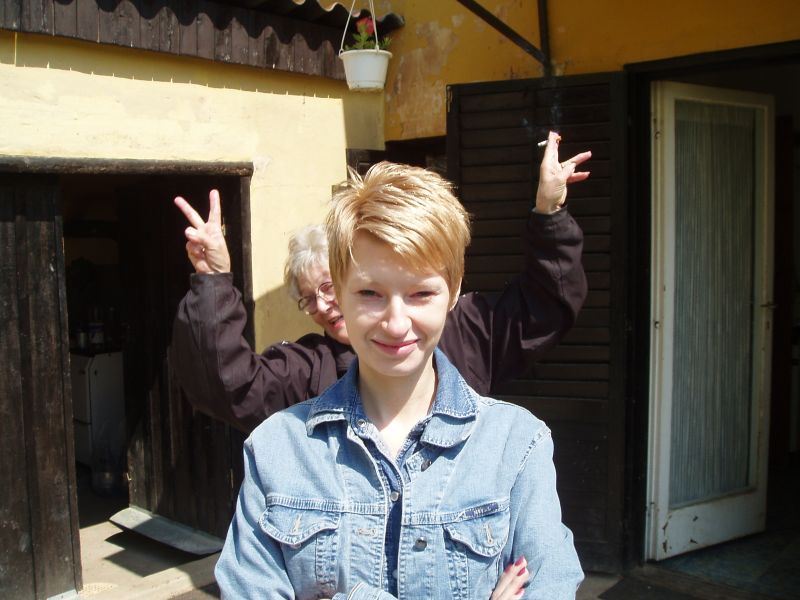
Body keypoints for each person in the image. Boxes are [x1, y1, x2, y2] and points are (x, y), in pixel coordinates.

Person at [213, 154, 584, 598]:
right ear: (341, 294)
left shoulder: (518, 446)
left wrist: (549, 215)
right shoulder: (275, 450)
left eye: (421, 293)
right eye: (370, 293)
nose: (395, 323)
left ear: (454, 290)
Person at [171, 131, 591, 434]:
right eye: (309, 299)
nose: (396, 322)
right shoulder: (306, 369)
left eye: (328, 287)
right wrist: (213, 281)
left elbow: (547, 306)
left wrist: (549, 213)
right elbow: (227, 386)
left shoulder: (470, 336)